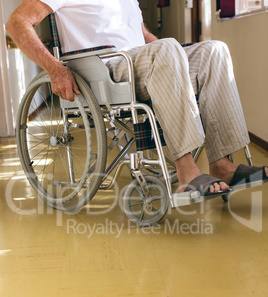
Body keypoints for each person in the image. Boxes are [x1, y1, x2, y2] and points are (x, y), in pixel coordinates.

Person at [6, 0, 268, 195]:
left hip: (140, 62)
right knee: (165, 49)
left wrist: (174, 54)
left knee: (215, 50)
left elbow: (143, 36)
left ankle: (222, 165)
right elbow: (16, 23)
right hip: (104, 69)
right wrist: (54, 69)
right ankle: (187, 170)